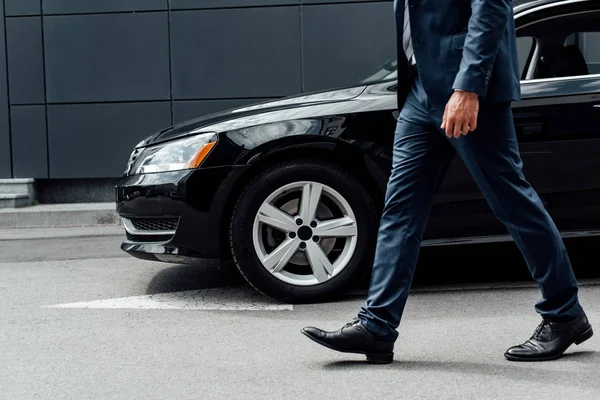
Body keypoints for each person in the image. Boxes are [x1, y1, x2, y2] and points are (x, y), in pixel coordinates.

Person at [301, 0, 593, 364]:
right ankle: (377, 325)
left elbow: (491, 8)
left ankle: (564, 314)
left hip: (467, 91)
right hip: (420, 92)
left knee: (512, 202)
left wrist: (468, 88)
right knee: (401, 209)